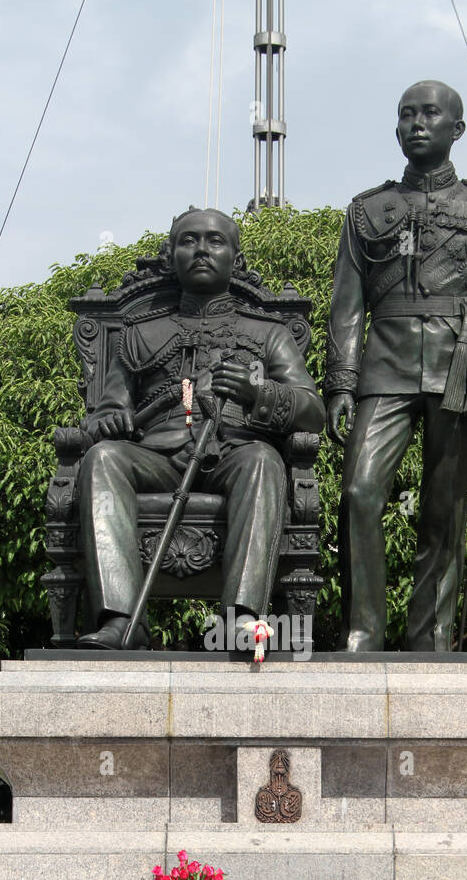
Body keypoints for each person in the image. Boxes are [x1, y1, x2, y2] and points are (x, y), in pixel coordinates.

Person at [326, 80, 467, 651]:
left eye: (429, 114)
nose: (416, 123)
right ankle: (363, 630)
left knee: (444, 511)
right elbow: (347, 306)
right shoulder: (366, 211)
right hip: (383, 367)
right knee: (359, 493)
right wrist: (341, 384)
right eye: (406, 114)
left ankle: (430, 640)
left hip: (459, 367)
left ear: (455, 129)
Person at [76, 207, 325, 649]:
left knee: (264, 461)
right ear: (171, 254)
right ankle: (120, 619)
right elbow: (106, 412)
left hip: (235, 451)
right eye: (189, 240)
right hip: (159, 456)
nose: (202, 249)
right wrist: (109, 421)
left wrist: (259, 394)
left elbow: (312, 409)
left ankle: (242, 619)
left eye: (215, 241)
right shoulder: (138, 332)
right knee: (102, 457)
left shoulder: (267, 334)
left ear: (235, 256)